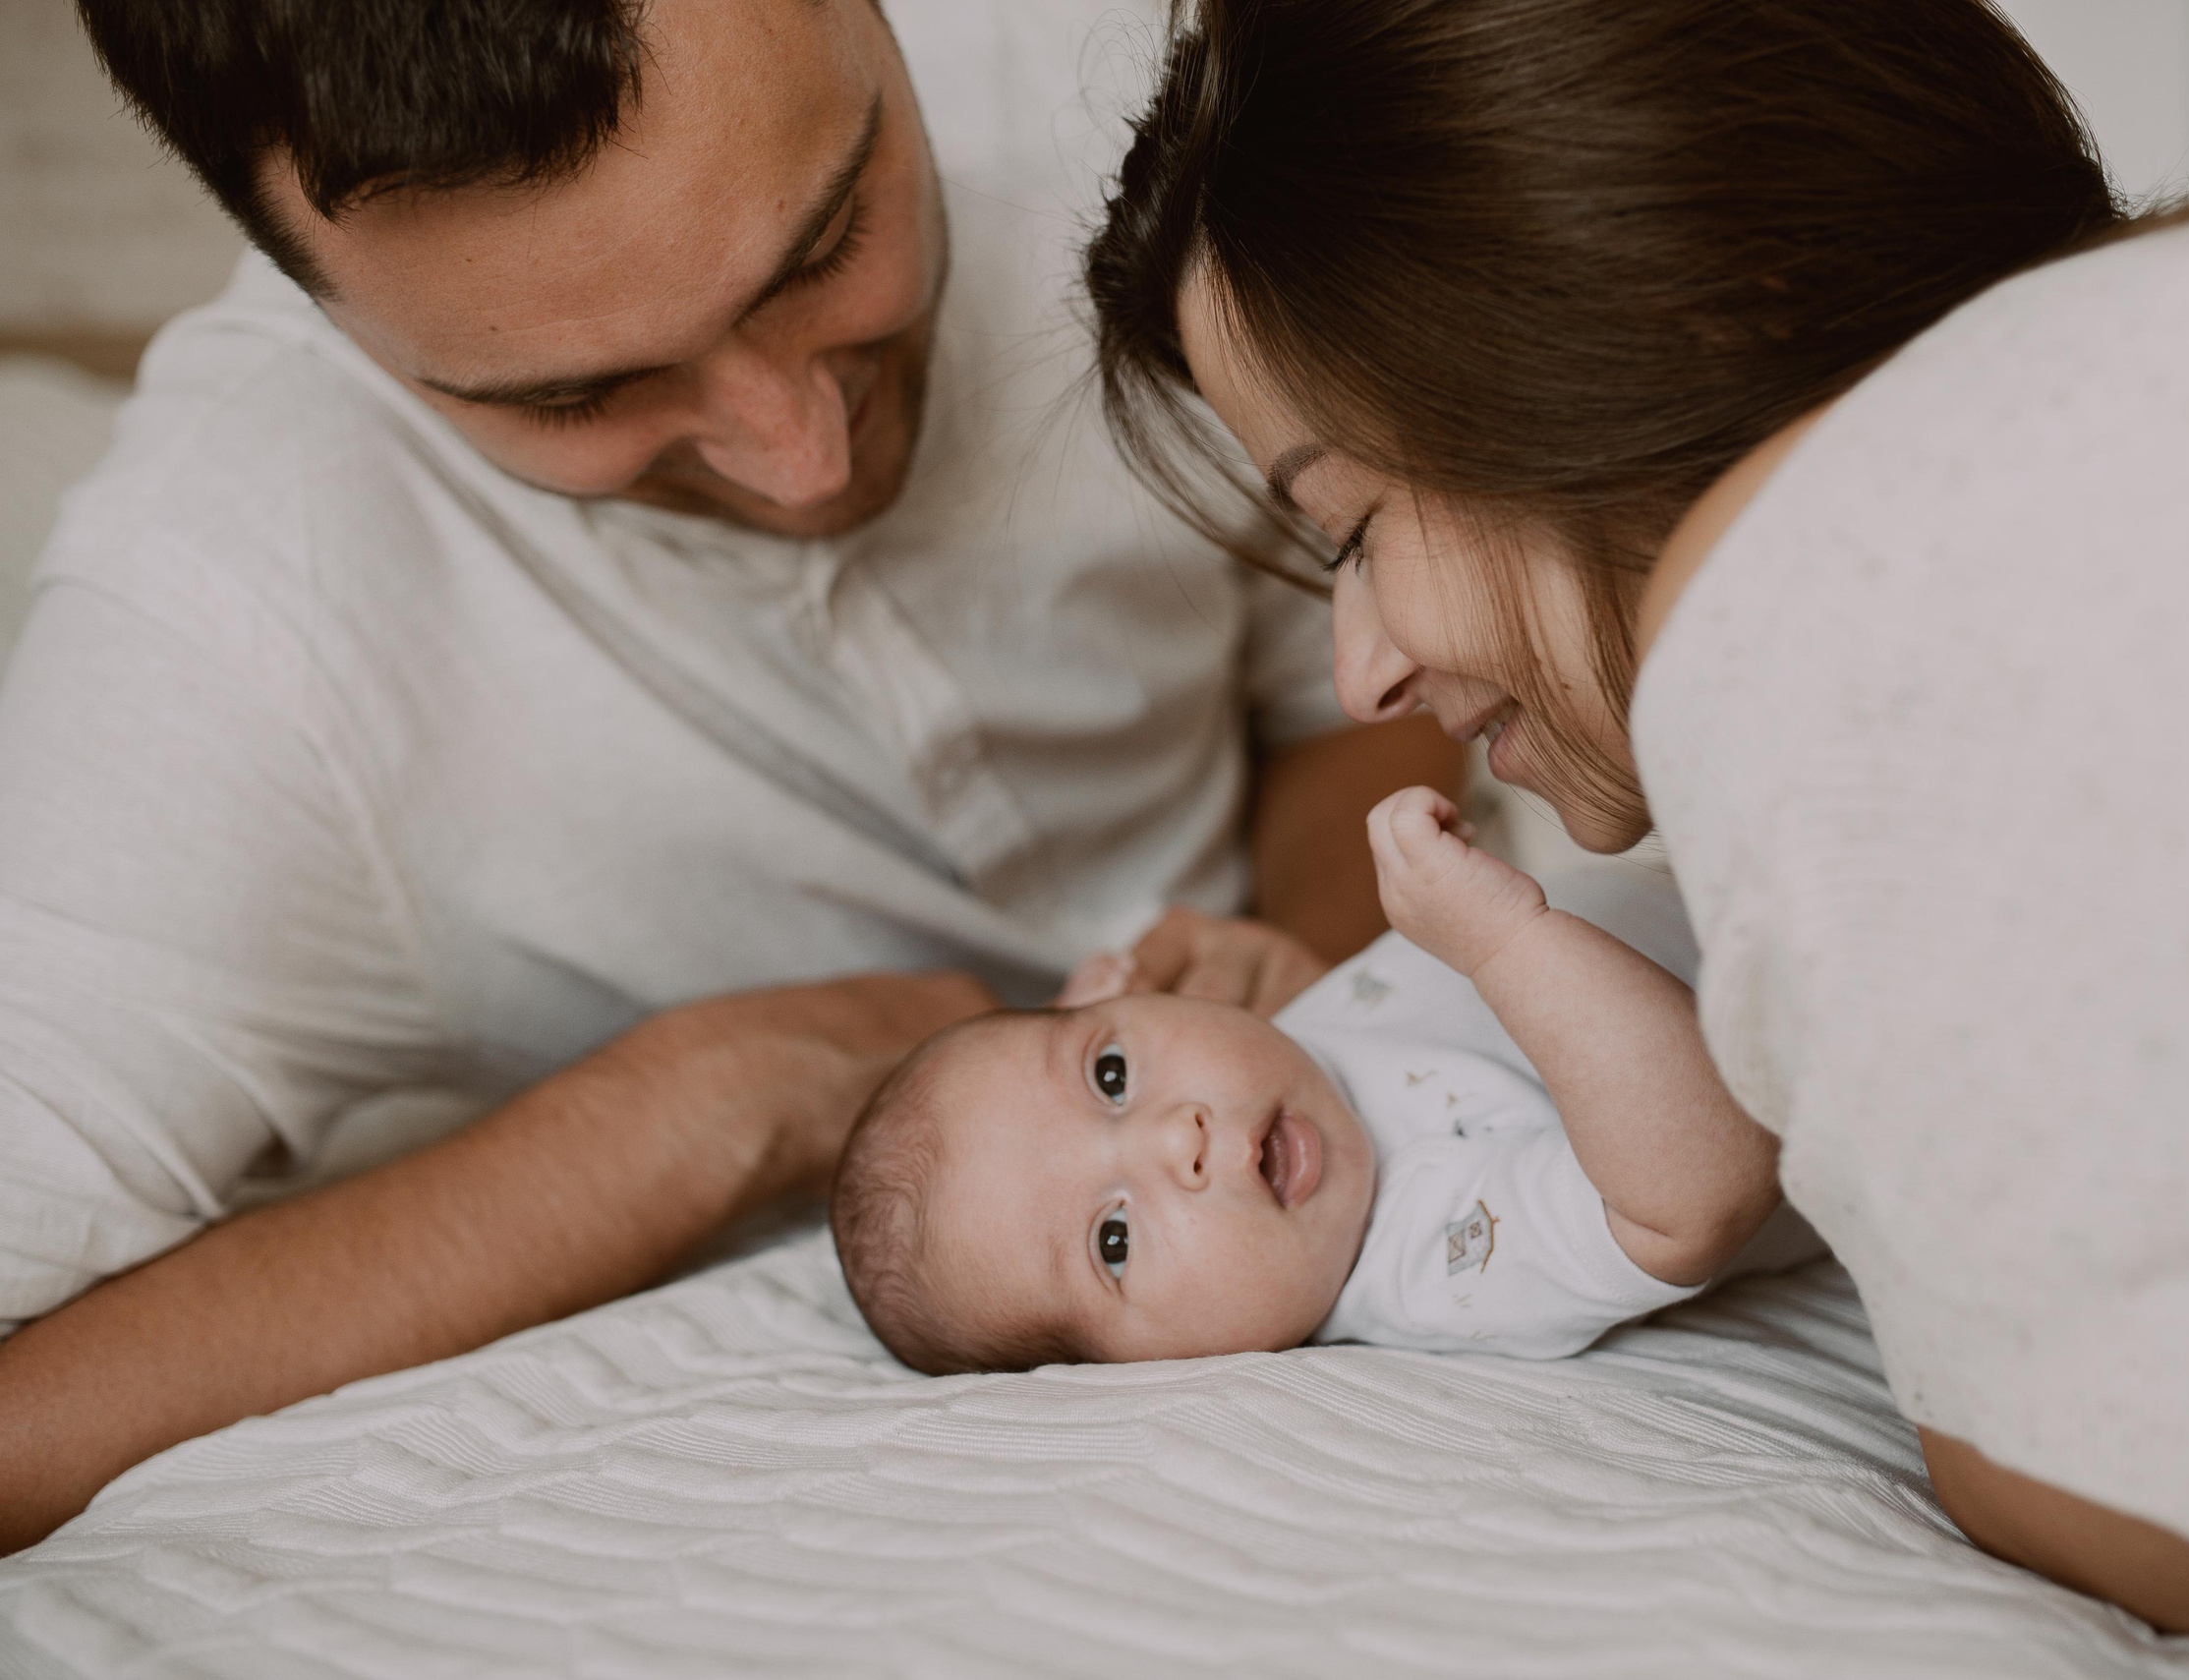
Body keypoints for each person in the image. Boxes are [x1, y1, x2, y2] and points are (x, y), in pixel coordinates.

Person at [1084, 0, 2189, 1671]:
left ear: (1666, 311)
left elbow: (2174, 1541)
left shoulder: (1784, 597)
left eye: (1355, 527)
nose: (1364, 663)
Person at [0, 0, 1461, 1554]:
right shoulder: (228, 655)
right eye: (581, 397)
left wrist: (1321, 995)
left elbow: (1352, 655)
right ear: (331, 316)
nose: (802, 458)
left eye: (828, 241)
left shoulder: (1144, 75)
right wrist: (680, 1112)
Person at [832, 788, 1819, 1374]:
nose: (1176, 1137)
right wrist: (1502, 936)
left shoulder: (1286, 1049)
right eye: (1115, 1238)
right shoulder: (1436, 1262)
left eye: (1112, 1072)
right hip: (1862, 1035)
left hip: (1775, 860)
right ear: (1134, 1378)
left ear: (1108, 990)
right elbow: (1701, 1183)